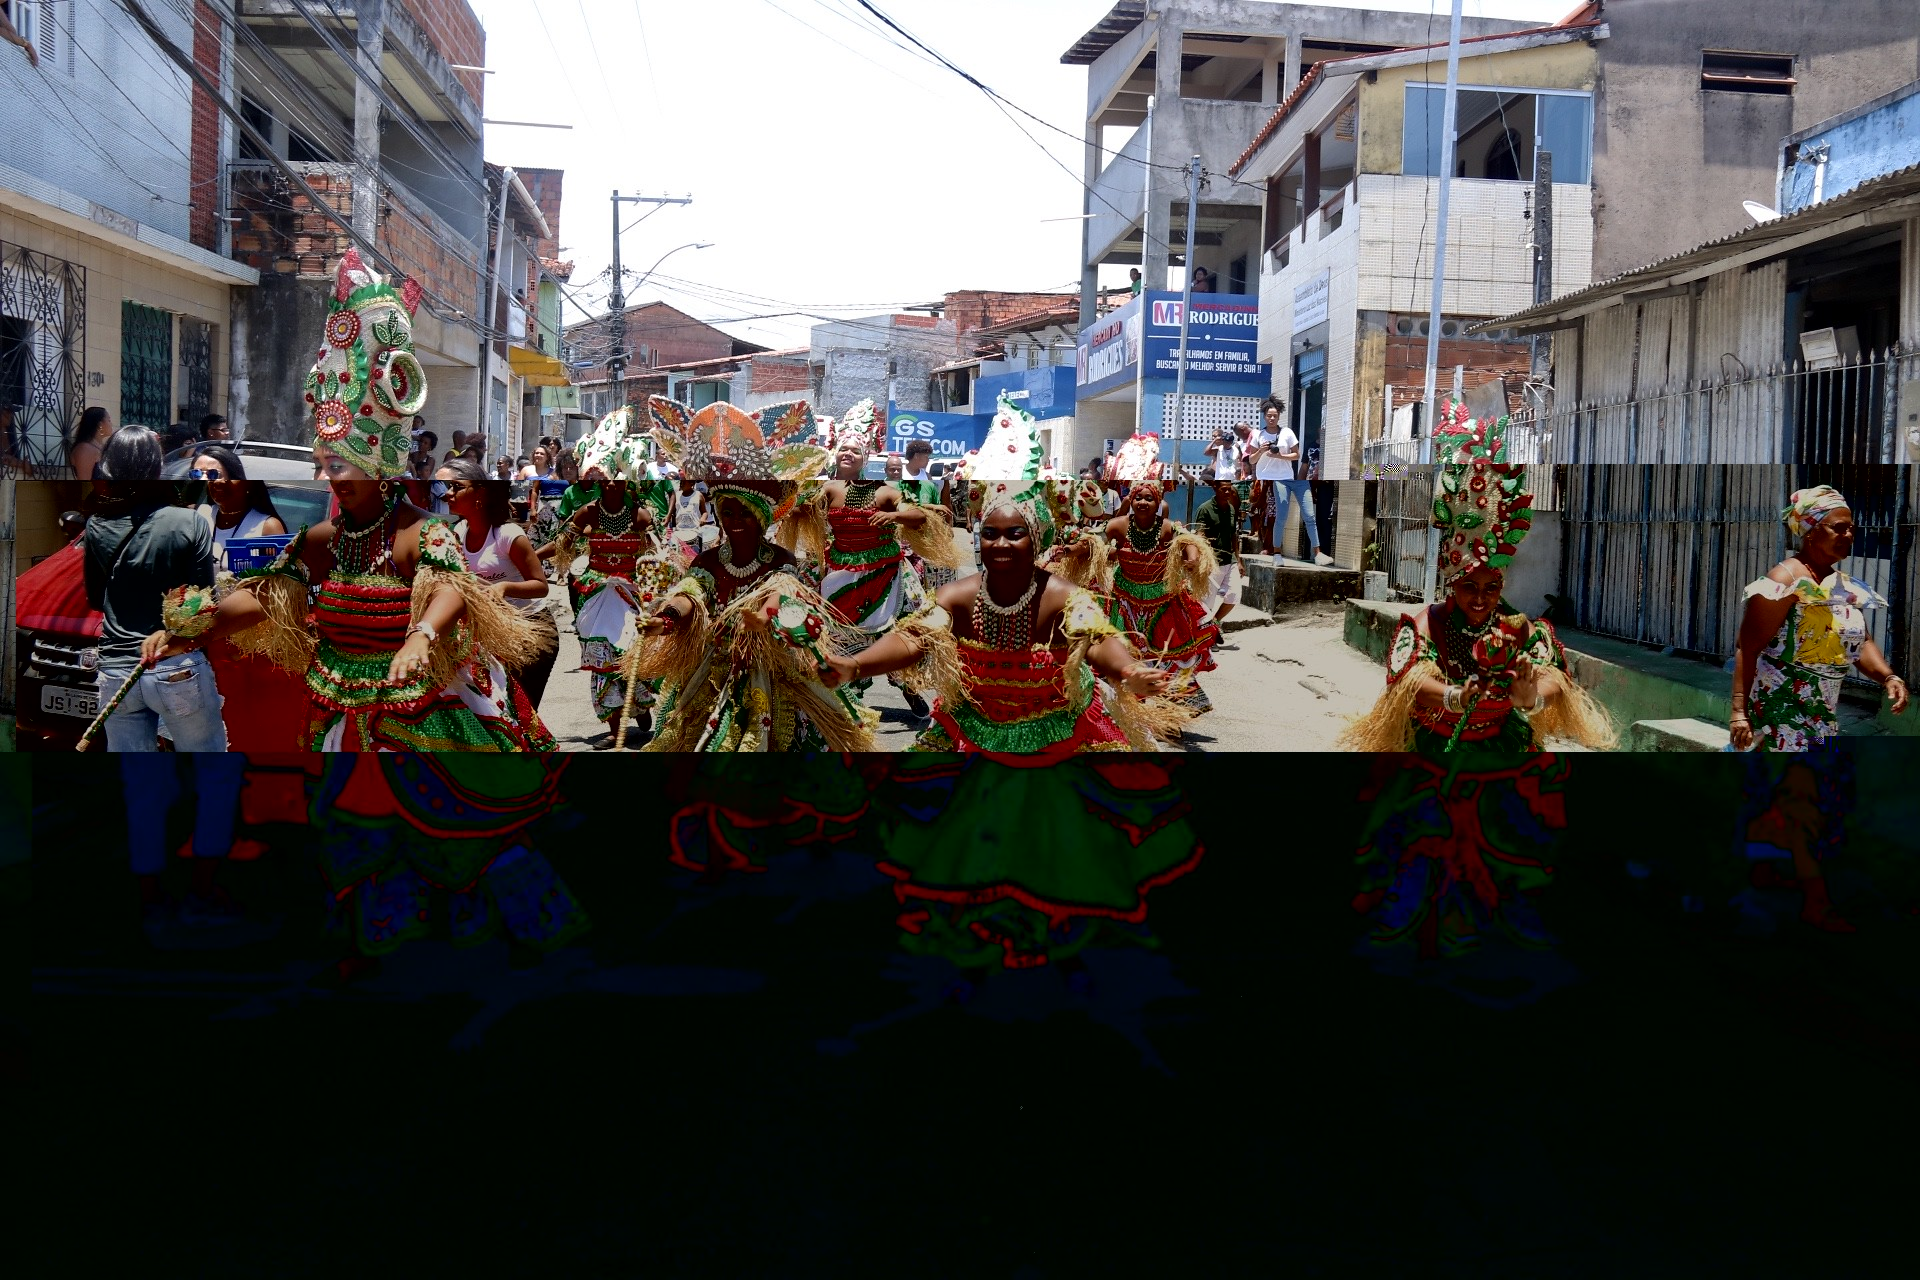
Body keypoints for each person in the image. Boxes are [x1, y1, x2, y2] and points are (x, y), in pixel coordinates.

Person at [182, 250, 552, 752]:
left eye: (339, 466)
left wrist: (421, 635)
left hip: (423, 707)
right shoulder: (322, 539)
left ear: (378, 469)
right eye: (324, 465)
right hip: (337, 705)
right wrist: (196, 628)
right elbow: (268, 595)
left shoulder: (424, 532)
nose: (329, 478)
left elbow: (451, 591)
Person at [1340, 406, 1615, 959]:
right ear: (1450, 577)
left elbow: (1555, 679)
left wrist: (1529, 694)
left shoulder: (1520, 626)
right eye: (1471, 587)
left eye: (1492, 587)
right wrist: (1458, 694)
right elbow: (1411, 683)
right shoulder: (1423, 624)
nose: (1483, 599)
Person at [830, 396, 1183, 757]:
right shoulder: (958, 596)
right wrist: (856, 665)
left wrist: (1128, 670)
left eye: (1015, 534)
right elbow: (915, 637)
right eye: (989, 534)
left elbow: (1094, 639)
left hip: (1056, 734)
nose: (999, 543)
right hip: (972, 730)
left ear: (1037, 539)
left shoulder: (1063, 597)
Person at [636, 397, 873, 753]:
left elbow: (781, 595)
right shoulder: (709, 561)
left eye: (744, 514)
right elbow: (690, 595)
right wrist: (666, 619)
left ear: (761, 517)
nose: (734, 522)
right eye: (727, 513)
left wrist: (762, 618)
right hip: (713, 670)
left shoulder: (780, 558)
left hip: (772, 666)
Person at [873, 758, 1202, 997]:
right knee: (982, 883)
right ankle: (973, 970)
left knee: (1054, 882)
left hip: (1056, 786)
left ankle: (1068, 964)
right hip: (986, 786)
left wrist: (1126, 671)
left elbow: (1101, 661)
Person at [308, 755, 586, 978]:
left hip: (440, 752)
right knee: (360, 852)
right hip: (370, 771)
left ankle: (526, 937)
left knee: (489, 840)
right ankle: (363, 953)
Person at [788, 398, 955, 720]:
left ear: (866, 458)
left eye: (856, 451)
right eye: (844, 449)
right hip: (840, 573)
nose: (849, 454)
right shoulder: (827, 489)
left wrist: (894, 518)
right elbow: (800, 511)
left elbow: (917, 515)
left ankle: (908, 686)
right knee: (839, 638)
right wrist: (794, 508)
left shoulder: (885, 491)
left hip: (886, 575)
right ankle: (847, 704)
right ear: (835, 452)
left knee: (898, 634)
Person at [82, 427, 228, 751]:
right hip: (176, 665)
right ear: (157, 467)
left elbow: (95, 598)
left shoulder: (95, 524)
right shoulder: (189, 522)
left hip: (116, 670)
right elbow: (202, 602)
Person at [1730, 484, 1907, 752]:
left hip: (1821, 715)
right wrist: (1739, 712)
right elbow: (1748, 646)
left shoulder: (1842, 587)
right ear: (1811, 532)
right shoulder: (1784, 581)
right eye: (1838, 527)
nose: (1848, 534)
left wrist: (1889, 677)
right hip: (1780, 711)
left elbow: (1860, 644)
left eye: (1851, 528)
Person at [537, 410, 675, 745]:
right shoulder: (588, 511)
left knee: (631, 659)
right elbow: (562, 544)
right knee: (602, 661)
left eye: (618, 476)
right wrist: (528, 556)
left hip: (630, 597)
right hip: (595, 596)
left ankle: (639, 707)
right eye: (606, 477)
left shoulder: (640, 515)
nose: (611, 483)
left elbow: (661, 554)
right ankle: (616, 731)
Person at [1102, 433, 1220, 714]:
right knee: (1125, 654)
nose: (1143, 503)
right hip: (1125, 603)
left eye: (1149, 499)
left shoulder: (1167, 528)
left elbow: (1188, 542)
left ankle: (1176, 709)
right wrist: (1084, 552)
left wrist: (1191, 561)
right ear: (1131, 500)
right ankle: (1132, 711)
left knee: (1169, 653)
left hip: (1163, 602)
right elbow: (1095, 542)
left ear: (1158, 504)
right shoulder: (1118, 525)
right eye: (1138, 498)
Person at [439, 459, 560, 710]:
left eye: (456, 487)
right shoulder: (455, 533)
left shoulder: (508, 535)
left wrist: (503, 587)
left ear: (480, 492)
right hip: (488, 633)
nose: (447, 494)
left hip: (531, 632)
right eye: (446, 487)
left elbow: (540, 585)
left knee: (520, 713)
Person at [1251, 400, 1330, 564]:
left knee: (1310, 516)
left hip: (1289, 476)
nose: (1272, 418)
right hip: (1272, 478)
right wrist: (1261, 450)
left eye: (1275, 415)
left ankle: (1318, 554)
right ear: (1264, 416)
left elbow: (1296, 455)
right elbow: (1251, 460)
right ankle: (1277, 554)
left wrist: (1279, 455)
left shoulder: (1287, 432)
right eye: (1269, 416)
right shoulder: (1258, 435)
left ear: (1279, 416)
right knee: (1281, 517)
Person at [191, 444, 286, 565]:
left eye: (214, 474)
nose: (210, 482)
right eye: (196, 474)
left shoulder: (267, 526)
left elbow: (276, 578)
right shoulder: (201, 516)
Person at [896, 438, 956, 593]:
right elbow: (903, 506)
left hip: (926, 538)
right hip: (905, 538)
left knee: (927, 577)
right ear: (916, 456)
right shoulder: (898, 474)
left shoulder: (927, 478)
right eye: (926, 456)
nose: (928, 460)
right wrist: (930, 506)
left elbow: (941, 508)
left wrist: (946, 527)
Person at [1193, 478, 1243, 635]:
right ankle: (1202, 635)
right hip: (1212, 562)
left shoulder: (1231, 509)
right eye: (1224, 489)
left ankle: (1213, 626)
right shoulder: (1205, 509)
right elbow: (1200, 535)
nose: (1227, 492)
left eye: (1229, 489)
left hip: (1230, 560)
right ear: (1215, 488)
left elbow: (1233, 535)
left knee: (1234, 596)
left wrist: (1239, 560)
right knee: (1207, 602)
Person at [670, 472, 712, 553]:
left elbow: (704, 512)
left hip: (695, 532)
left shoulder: (698, 495)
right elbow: (673, 513)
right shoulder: (677, 495)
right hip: (680, 533)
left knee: (695, 557)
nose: (681, 484)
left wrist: (703, 518)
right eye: (680, 482)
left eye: (684, 482)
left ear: (691, 483)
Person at [68, 405, 113, 480]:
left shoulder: (101, 447)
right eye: (109, 420)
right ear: (100, 425)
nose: (111, 424)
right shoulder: (85, 449)